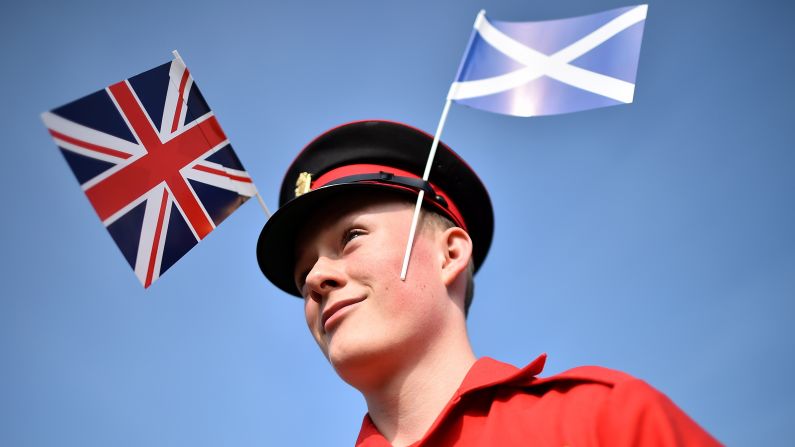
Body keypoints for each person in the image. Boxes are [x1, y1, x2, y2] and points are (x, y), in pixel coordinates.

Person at [256, 120, 720, 446]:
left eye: (351, 236)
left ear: (451, 253)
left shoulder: (603, 422)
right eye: (303, 275)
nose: (316, 278)